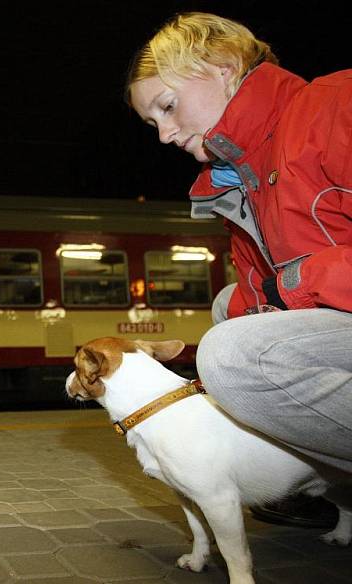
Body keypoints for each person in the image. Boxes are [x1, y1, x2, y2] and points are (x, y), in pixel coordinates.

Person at [125, 12, 352, 527]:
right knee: (229, 308)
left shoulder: (336, 105)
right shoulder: (235, 182)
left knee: (234, 354)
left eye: (168, 105)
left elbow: (288, 286)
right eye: (151, 122)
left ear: (223, 67)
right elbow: (258, 295)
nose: (163, 134)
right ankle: (309, 475)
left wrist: (302, 278)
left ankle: (311, 474)